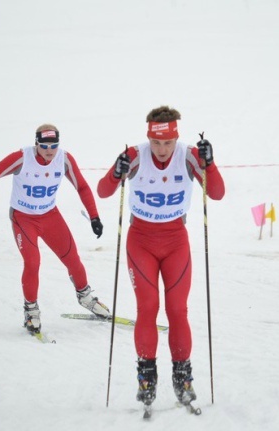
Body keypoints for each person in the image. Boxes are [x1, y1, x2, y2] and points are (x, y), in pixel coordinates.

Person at [97, 106, 225, 407]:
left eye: (167, 143)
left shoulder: (190, 155)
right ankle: (147, 376)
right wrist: (117, 171)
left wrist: (210, 164)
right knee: (148, 307)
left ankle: (183, 376)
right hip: (140, 241)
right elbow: (104, 191)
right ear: (148, 138)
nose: (162, 149)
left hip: (175, 242)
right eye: (156, 143)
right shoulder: (135, 155)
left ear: (175, 137)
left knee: (178, 309)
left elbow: (217, 193)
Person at [0, 124, 111, 335]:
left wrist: (94, 217)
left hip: (49, 216)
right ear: (36, 143)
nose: (49, 150)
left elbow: (81, 186)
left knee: (73, 259)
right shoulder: (22, 158)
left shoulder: (63, 159)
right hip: (23, 218)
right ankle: (31, 310)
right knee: (32, 261)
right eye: (44, 145)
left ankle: (85, 297)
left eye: (54, 145)